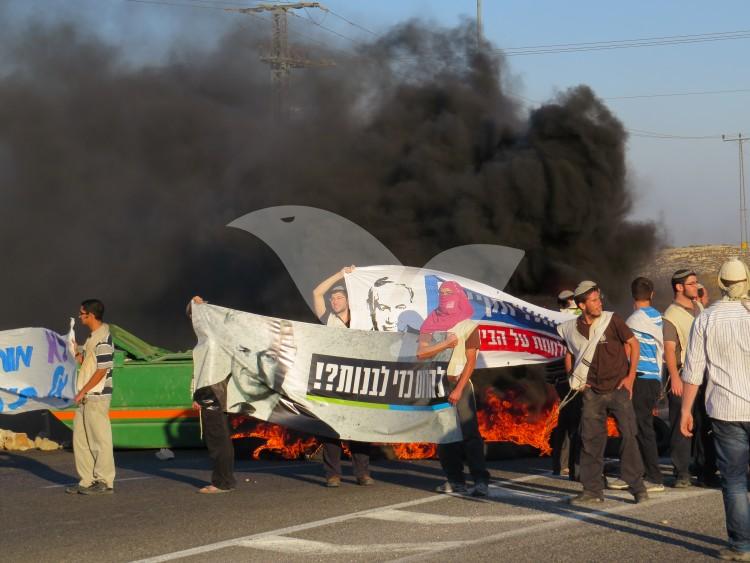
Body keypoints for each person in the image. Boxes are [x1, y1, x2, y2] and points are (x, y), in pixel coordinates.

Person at [680, 258, 750, 561]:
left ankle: (741, 546)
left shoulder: (706, 318)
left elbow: (693, 372)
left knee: (734, 480)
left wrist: (684, 411)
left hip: (725, 410)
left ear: (720, 284)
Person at [557, 281, 648, 505]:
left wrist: (631, 376)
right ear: (581, 305)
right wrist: (573, 378)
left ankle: (637, 487)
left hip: (618, 389)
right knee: (590, 441)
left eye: (599, 299)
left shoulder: (612, 320)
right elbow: (569, 353)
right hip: (591, 393)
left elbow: (633, 345)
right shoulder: (571, 328)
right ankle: (592, 491)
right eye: (594, 300)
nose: (599, 304)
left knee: (629, 436)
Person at [418, 280, 490, 497]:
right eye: (441, 292)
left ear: (458, 295)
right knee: (444, 435)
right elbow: (421, 353)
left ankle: (480, 481)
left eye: (449, 292)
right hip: (436, 384)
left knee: (470, 434)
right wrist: (445, 344)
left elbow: (470, 362)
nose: (444, 295)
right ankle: (455, 480)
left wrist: (458, 389)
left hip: (459, 383)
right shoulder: (431, 321)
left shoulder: (469, 325)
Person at [312, 267, 373, 488]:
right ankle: (333, 474)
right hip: (333, 380)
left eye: (340, 297)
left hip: (359, 379)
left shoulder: (362, 317)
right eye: (333, 298)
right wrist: (340, 274)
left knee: (359, 426)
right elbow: (317, 292)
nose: (335, 301)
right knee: (330, 429)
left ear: (349, 300)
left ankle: (362, 473)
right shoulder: (327, 317)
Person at [608, 277, 664, 492]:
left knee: (637, 428)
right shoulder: (659, 317)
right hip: (654, 379)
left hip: (638, 379)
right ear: (652, 295)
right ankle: (634, 472)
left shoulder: (632, 321)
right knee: (641, 426)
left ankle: (652, 477)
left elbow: (628, 351)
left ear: (633, 296)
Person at [65, 299, 116, 495]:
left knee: (99, 440)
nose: (79, 316)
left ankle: (105, 481)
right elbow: (85, 363)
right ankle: (87, 480)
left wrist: (83, 390)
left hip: (97, 395)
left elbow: (102, 370)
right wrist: (75, 351)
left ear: (91, 315)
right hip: (87, 396)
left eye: (82, 313)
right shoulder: (92, 337)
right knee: (81, 440)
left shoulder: (103, 338)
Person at [188, 296, 236, 494]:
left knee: (218, 440)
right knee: (219, 438)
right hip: (214, 393)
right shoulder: (213, 337)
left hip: (213, 393)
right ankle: (224, 480)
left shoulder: (212, 339)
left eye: (194, 316)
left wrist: (196, 305)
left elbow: (208, 371)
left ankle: (223, 482)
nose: (192, 319)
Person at [663, 268, 702, 487]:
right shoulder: (670, 315)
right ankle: (682, 473)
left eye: (696, 282)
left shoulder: (699, 307)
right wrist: (675, 377)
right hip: (683, 375)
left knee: (701, 421)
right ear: (679, 287)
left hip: (702, 375)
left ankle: (704, 468)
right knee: (680, 424)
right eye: (691, 283)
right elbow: (669, 349)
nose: (696, 286)